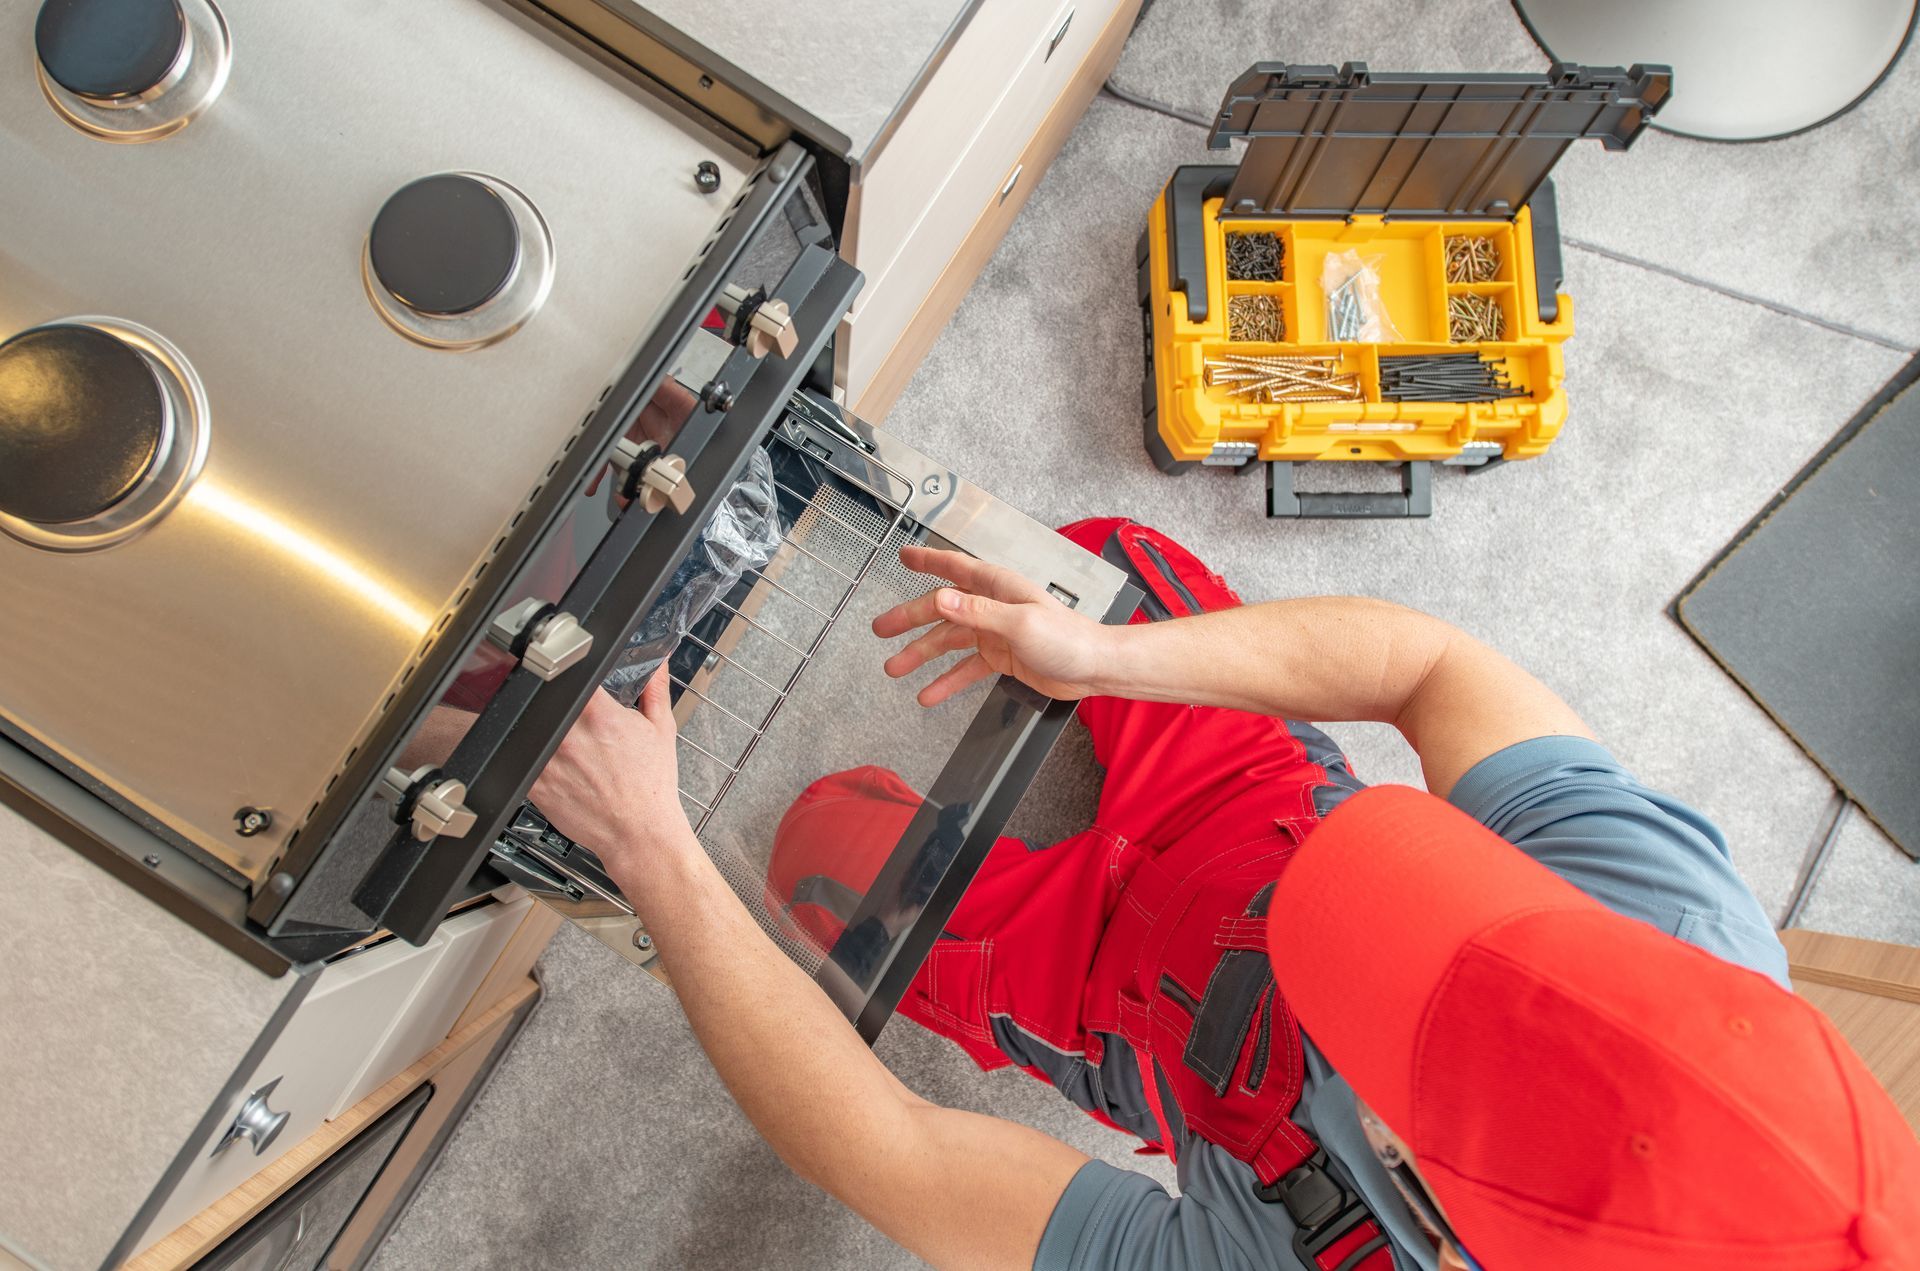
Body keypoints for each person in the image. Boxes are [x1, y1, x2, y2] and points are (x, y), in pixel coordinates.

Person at [531, 518, 1920, 1270]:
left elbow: (899, 1159)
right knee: (1085, 554)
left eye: (1420, 1033)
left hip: (1118, 1001)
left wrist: (651, 850)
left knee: (809, 846)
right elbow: (1430, 670)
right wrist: (1096, 659)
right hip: (1265, 822)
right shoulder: (1692, 938)